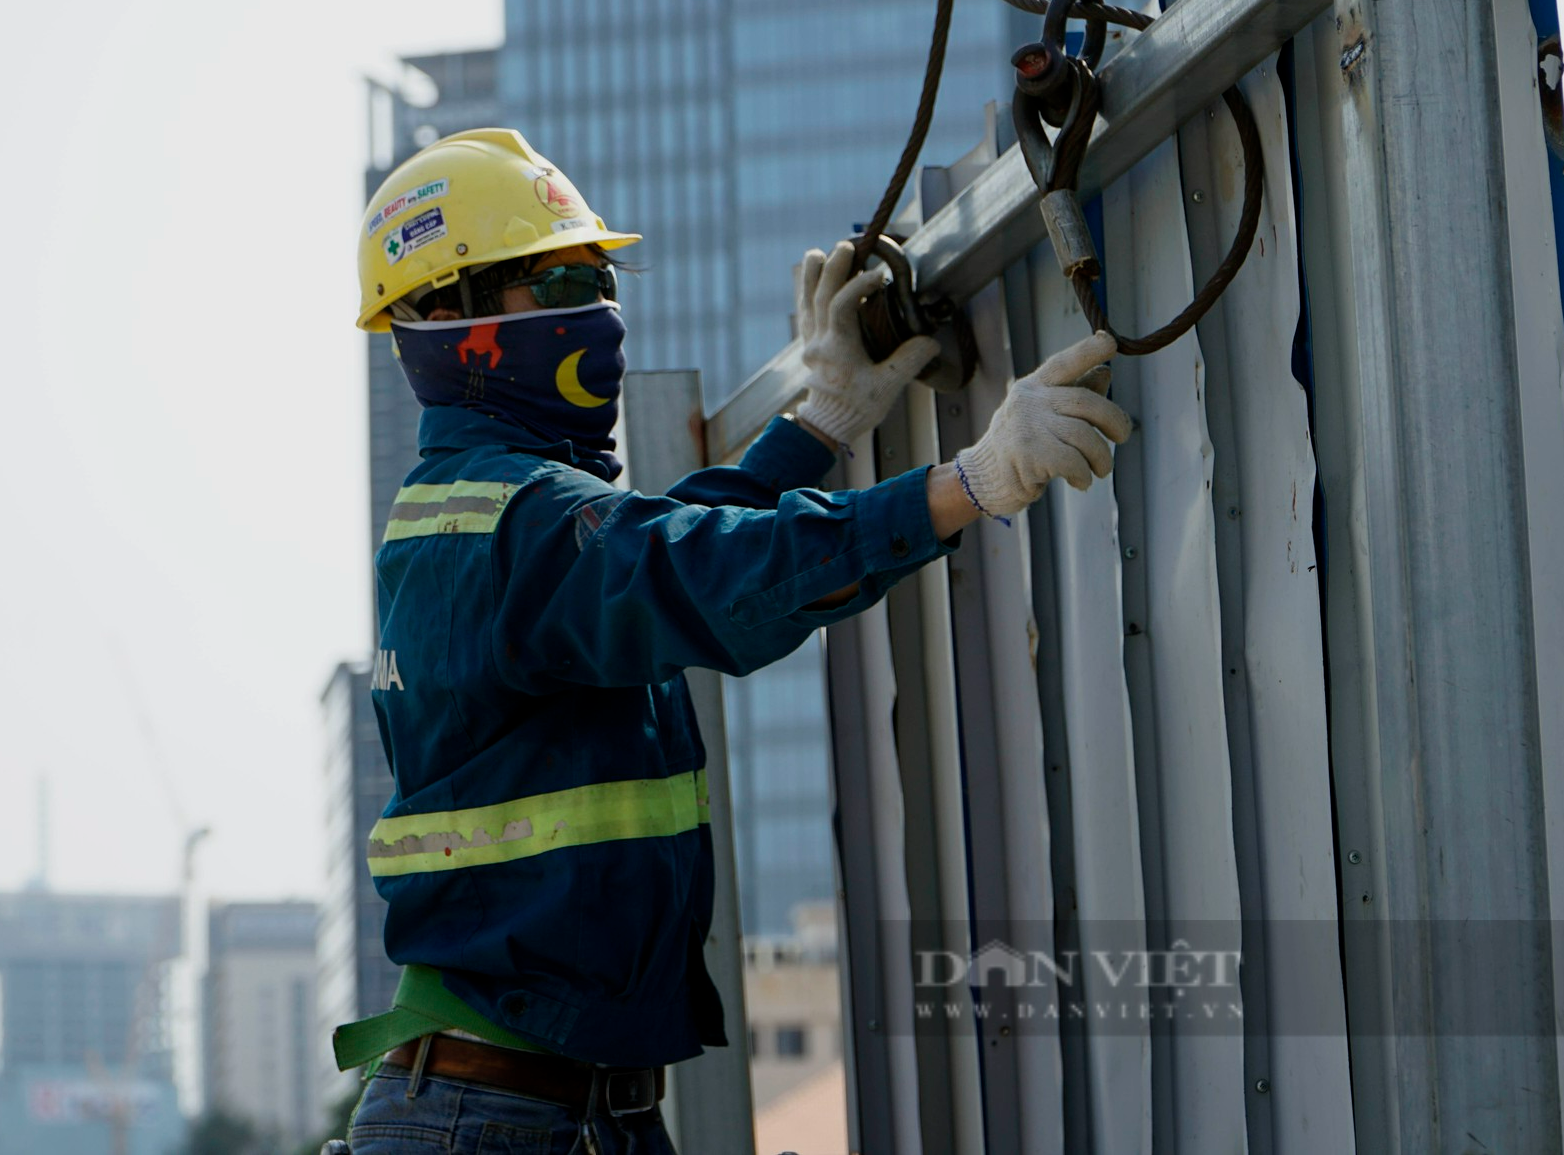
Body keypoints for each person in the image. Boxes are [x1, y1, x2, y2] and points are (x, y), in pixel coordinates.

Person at [331, 129, 1129, 1154]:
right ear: (444, 319)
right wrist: (965, 484)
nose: (599, 310)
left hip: (544, 1108)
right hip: (500, 1118)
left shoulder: (498, 515)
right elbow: (695, 571)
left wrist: (822, 423)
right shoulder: (502, 522)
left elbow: (664, 547)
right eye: (563, 279)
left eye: (601, 277)